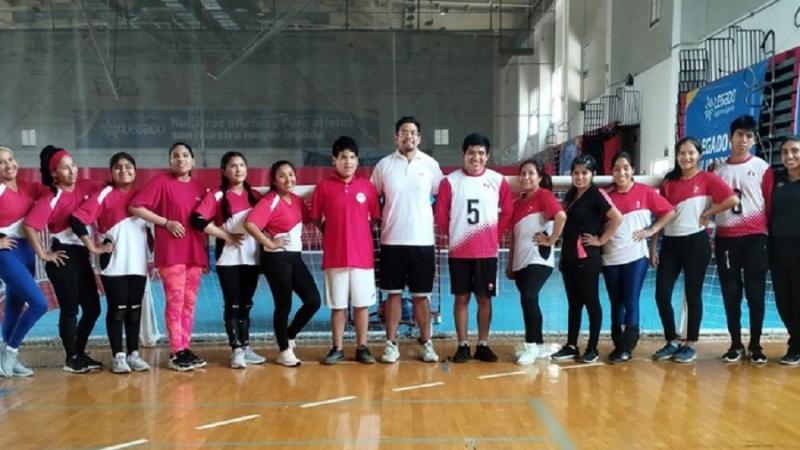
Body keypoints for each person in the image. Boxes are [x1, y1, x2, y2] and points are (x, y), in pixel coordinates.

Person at [651, 137, 738, 363]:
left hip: (696, 243)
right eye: (682, 153)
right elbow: (661, 215)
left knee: (693, 294)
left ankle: (690, 343)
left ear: (699, 154)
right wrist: (653, 247)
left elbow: (732, 199)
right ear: (677, 156)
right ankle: (671, 340)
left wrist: (709, 212)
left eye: (691, 152)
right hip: (670, 244)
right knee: (662, 294)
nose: (686, 157)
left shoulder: (708, 179)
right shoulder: (668, 182)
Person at [434, 133, 513, 363]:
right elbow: (441, 215)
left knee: (484, 299)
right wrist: (457, 235)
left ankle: (483, 344)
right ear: (463, 154)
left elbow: (508, 212)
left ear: (487, 156)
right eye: (471, 153)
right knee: (461, 298)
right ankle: (462, 345)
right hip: (459, 252)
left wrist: (494, 235)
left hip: (487, 252)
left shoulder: (498, 181)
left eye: (480, 153)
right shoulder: (450, 182)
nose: (475, 157)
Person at [130, 142, 208, 372]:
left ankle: (185, 347)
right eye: (175, 155)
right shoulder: (161, 182)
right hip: (172, 253)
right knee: (175, 301)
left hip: (195, 253)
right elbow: (136, 206)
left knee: (189, 304)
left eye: (185, 155)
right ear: (170, 161)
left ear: (193, 161)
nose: (180, 159)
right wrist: (166, 222)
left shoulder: (199, 188)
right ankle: (176, 351)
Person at [70, 152, 151, 374]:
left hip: (138, 263)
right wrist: (93, 246)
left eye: (128, 166)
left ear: (135, 171)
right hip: (114, 263)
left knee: (135, 310)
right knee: (117, 310)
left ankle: (134, 354)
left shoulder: (142, 196)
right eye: (118, 167)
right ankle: (118, 356)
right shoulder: (104, 194)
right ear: (111, 172)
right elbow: (76, 219)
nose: (123, 170)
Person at [24, 146, 102, 373]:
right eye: (65, 168)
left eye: (73, 165)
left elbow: (107, 191)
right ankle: (71, 358)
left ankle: (79, 352)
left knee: (93, 309)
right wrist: (43, 254)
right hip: (63, 257)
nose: (72, 171)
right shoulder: (51, 196)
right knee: (70, 310)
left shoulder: (86, 186)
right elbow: (30, 226)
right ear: (54, 173)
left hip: (82, 256)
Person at [370, 116, 443, 364]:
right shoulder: (384, 166)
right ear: (396, 137)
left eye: (412, 132)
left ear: (419, 138)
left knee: (422, 296)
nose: (408, 136)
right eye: (403, 132)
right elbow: (372, 199)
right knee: (393, 295)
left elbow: (442, 197)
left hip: (423, 242)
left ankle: (426, 343)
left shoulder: (430, 165)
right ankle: (391, 344)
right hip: (391, 241)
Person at [191, 152, 266, 369]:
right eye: (233, 166)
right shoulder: (216, 195)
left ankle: (246, 345)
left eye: (242, 165)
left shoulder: (255, 196)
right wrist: (226, 236)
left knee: (246, 303)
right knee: (232, 303)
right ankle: (236, 349)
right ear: (224, 171)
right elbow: (197, 219)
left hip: (252, 258)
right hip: (228, 259)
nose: (238, 169)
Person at [310, 136, 380, 365]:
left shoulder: (367, 187)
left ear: (357, 160)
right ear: (334, 160)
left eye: (351, 157)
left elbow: (374, 219)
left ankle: (362, 347)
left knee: (361, 305)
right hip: (335, 257)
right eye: (343, 157)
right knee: (338, 306)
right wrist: (333, 233)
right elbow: (316, 218)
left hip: (363, 257)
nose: (348, 161)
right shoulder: (323, 187)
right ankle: (337, 348)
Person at [244, 160, 321, 367]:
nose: (288, 179)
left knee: (313, 301)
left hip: (295, 257)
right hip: (276, 258)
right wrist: (269, 242)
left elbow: (310, 219)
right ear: (274, 180)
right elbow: (250, 223)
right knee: (284, 304)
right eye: (282, 175)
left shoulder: (296, 200)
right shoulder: (270, 200)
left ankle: (288, 334)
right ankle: (284, 350)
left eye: (291, 174)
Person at [602, 151, 674, 363]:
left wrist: (652, 230)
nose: (621, 173)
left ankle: (628, 345)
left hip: (636, 257)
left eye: (625, 168)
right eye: (617, 169)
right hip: (610, 256)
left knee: (630, 298)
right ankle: (618, 342)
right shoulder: (606, 196)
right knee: (616, 301)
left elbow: (669, 212)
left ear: (632, 170)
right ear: (612, 172)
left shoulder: (646, 192)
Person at [551, 154, 622, 364]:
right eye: (576, 173)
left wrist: (601, 240)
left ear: (593, 174)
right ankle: (572, 345)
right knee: (574, 304)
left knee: (591, 302)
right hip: (569, 257)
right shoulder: (571, 195)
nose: (580, 177)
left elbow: (617, 217)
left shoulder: (596, 194)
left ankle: (592, 348)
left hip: (587, 258)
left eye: (584, 173)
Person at [714, 115, 773, 364]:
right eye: (740, 134)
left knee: (756, 292)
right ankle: (735, 344)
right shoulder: (718, 171)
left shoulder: (762, 168)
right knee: (731, 293)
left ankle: (756, 345)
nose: (744, 140)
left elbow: (769, 203)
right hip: (726, 240)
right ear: (731, 137)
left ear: (754, 139)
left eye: (749, 136)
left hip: (755, 238)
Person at [506, 159, 565, 365]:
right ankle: (537, 345)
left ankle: (530, 345)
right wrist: (510, 264)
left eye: (531, 173)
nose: (526, 177)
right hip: (520, 261)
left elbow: (561, 217)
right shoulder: (517, 204)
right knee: (530, 301)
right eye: (523, 173)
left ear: (539, 177)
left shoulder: (544, 196)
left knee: (528, 297)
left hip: (538, 258)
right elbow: (514, 237)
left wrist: (551, 240)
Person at [0, 146, 48, 377]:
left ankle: (6, 357)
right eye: (1, 162)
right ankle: (10, 351)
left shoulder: (28, 187)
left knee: (13, 306)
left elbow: (53, 192)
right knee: (40, 304)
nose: (9, 165)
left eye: (10, 159)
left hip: (27, 251)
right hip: (6, 253)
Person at [769, 136, 800, 365]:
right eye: (785, 152)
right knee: (782, 301)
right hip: (778, 249)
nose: (790, 156)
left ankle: (795, 347)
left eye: (795, 151)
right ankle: (795, 339)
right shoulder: (776, 179)